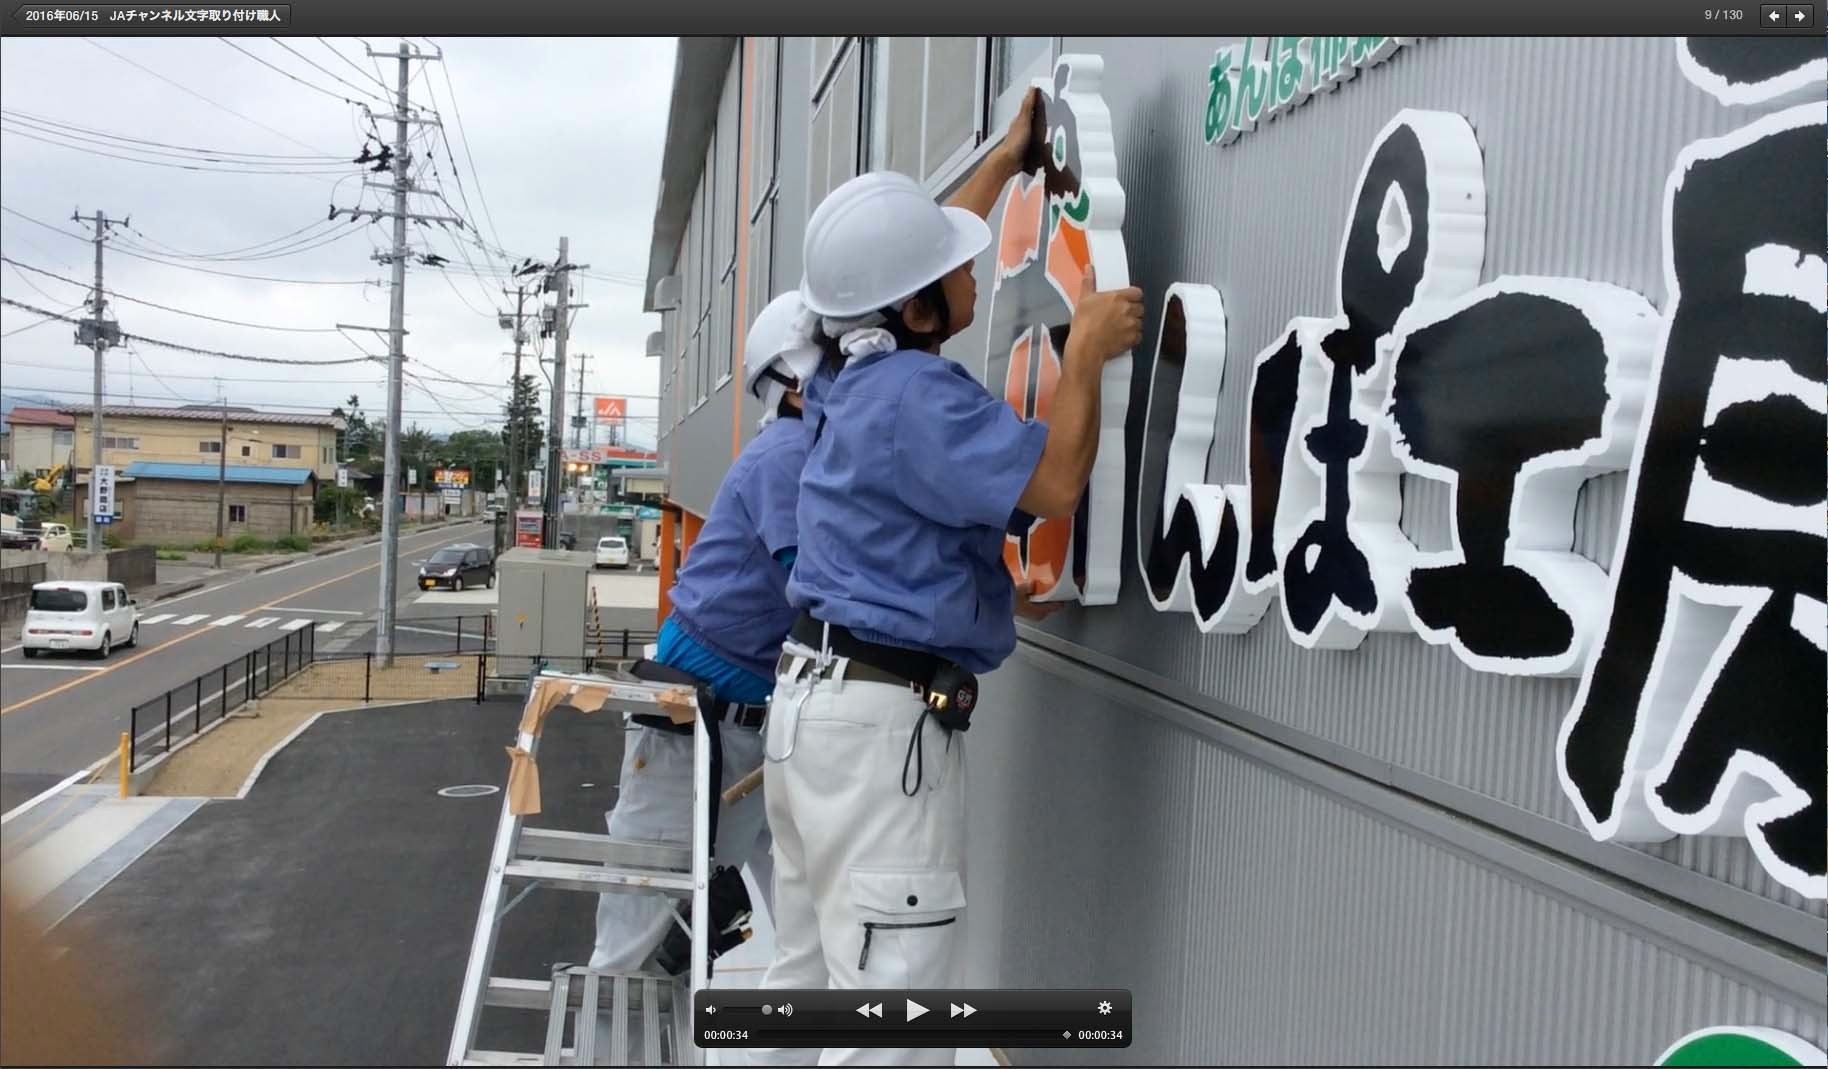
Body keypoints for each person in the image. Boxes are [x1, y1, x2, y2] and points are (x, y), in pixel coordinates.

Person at [747, 88, 1144, 1067]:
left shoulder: (849, 373)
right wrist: (1082, 356)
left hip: (814, 716)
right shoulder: (916, 397)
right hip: (880, 741)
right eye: (952, 266)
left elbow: (893, 272)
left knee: (802, 986)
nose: (972, 265)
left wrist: (1008, 159)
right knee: (891, 1020)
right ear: (918, 307)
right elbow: (1052, 482)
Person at [589, 291, 826, 977]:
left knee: (766, 917)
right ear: (799, 380)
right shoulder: (787, 452)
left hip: (748, 725)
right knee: (639, 930)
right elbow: (814, 581)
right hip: (698, 721)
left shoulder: (810, 451)